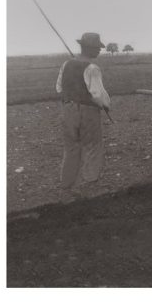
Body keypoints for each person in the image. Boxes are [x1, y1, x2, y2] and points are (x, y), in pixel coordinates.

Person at [55, 32, 111, 189]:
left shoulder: (66, 64)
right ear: (89, 48)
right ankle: (90, 182)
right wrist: (106, 105)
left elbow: (59, 88)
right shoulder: (92, 68)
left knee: (71, 148)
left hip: (67, 110)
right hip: (87, 112)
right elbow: (98, 95)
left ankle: (67, 184)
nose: (99, 51)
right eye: (97, 48)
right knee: (93, 145)